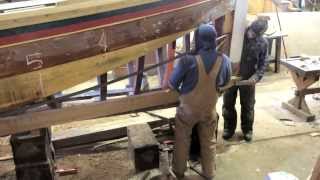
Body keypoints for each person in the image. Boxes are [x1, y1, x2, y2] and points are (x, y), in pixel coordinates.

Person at [167, 24, 232, 180]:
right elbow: (226, 84)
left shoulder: (187, 60)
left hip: (187, 111)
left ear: (198, 39)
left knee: (182, 140)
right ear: (214, 39)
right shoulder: (224, 60)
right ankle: (209, 173)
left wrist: (184, 91)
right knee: (209, 142)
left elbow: (171, 84)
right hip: (209, 110)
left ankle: (179, 172)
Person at [222, 18, 269, 142]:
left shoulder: (263, 43)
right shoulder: (237, 35)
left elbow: (263, 63)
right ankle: (228, 128)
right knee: (228, 104)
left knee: (248, 106)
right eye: (251, 31)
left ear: (260, 34)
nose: (251, 35)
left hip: (248, 78)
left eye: (254, 34)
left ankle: (247, 130)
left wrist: (256, 77)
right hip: (231, 76)